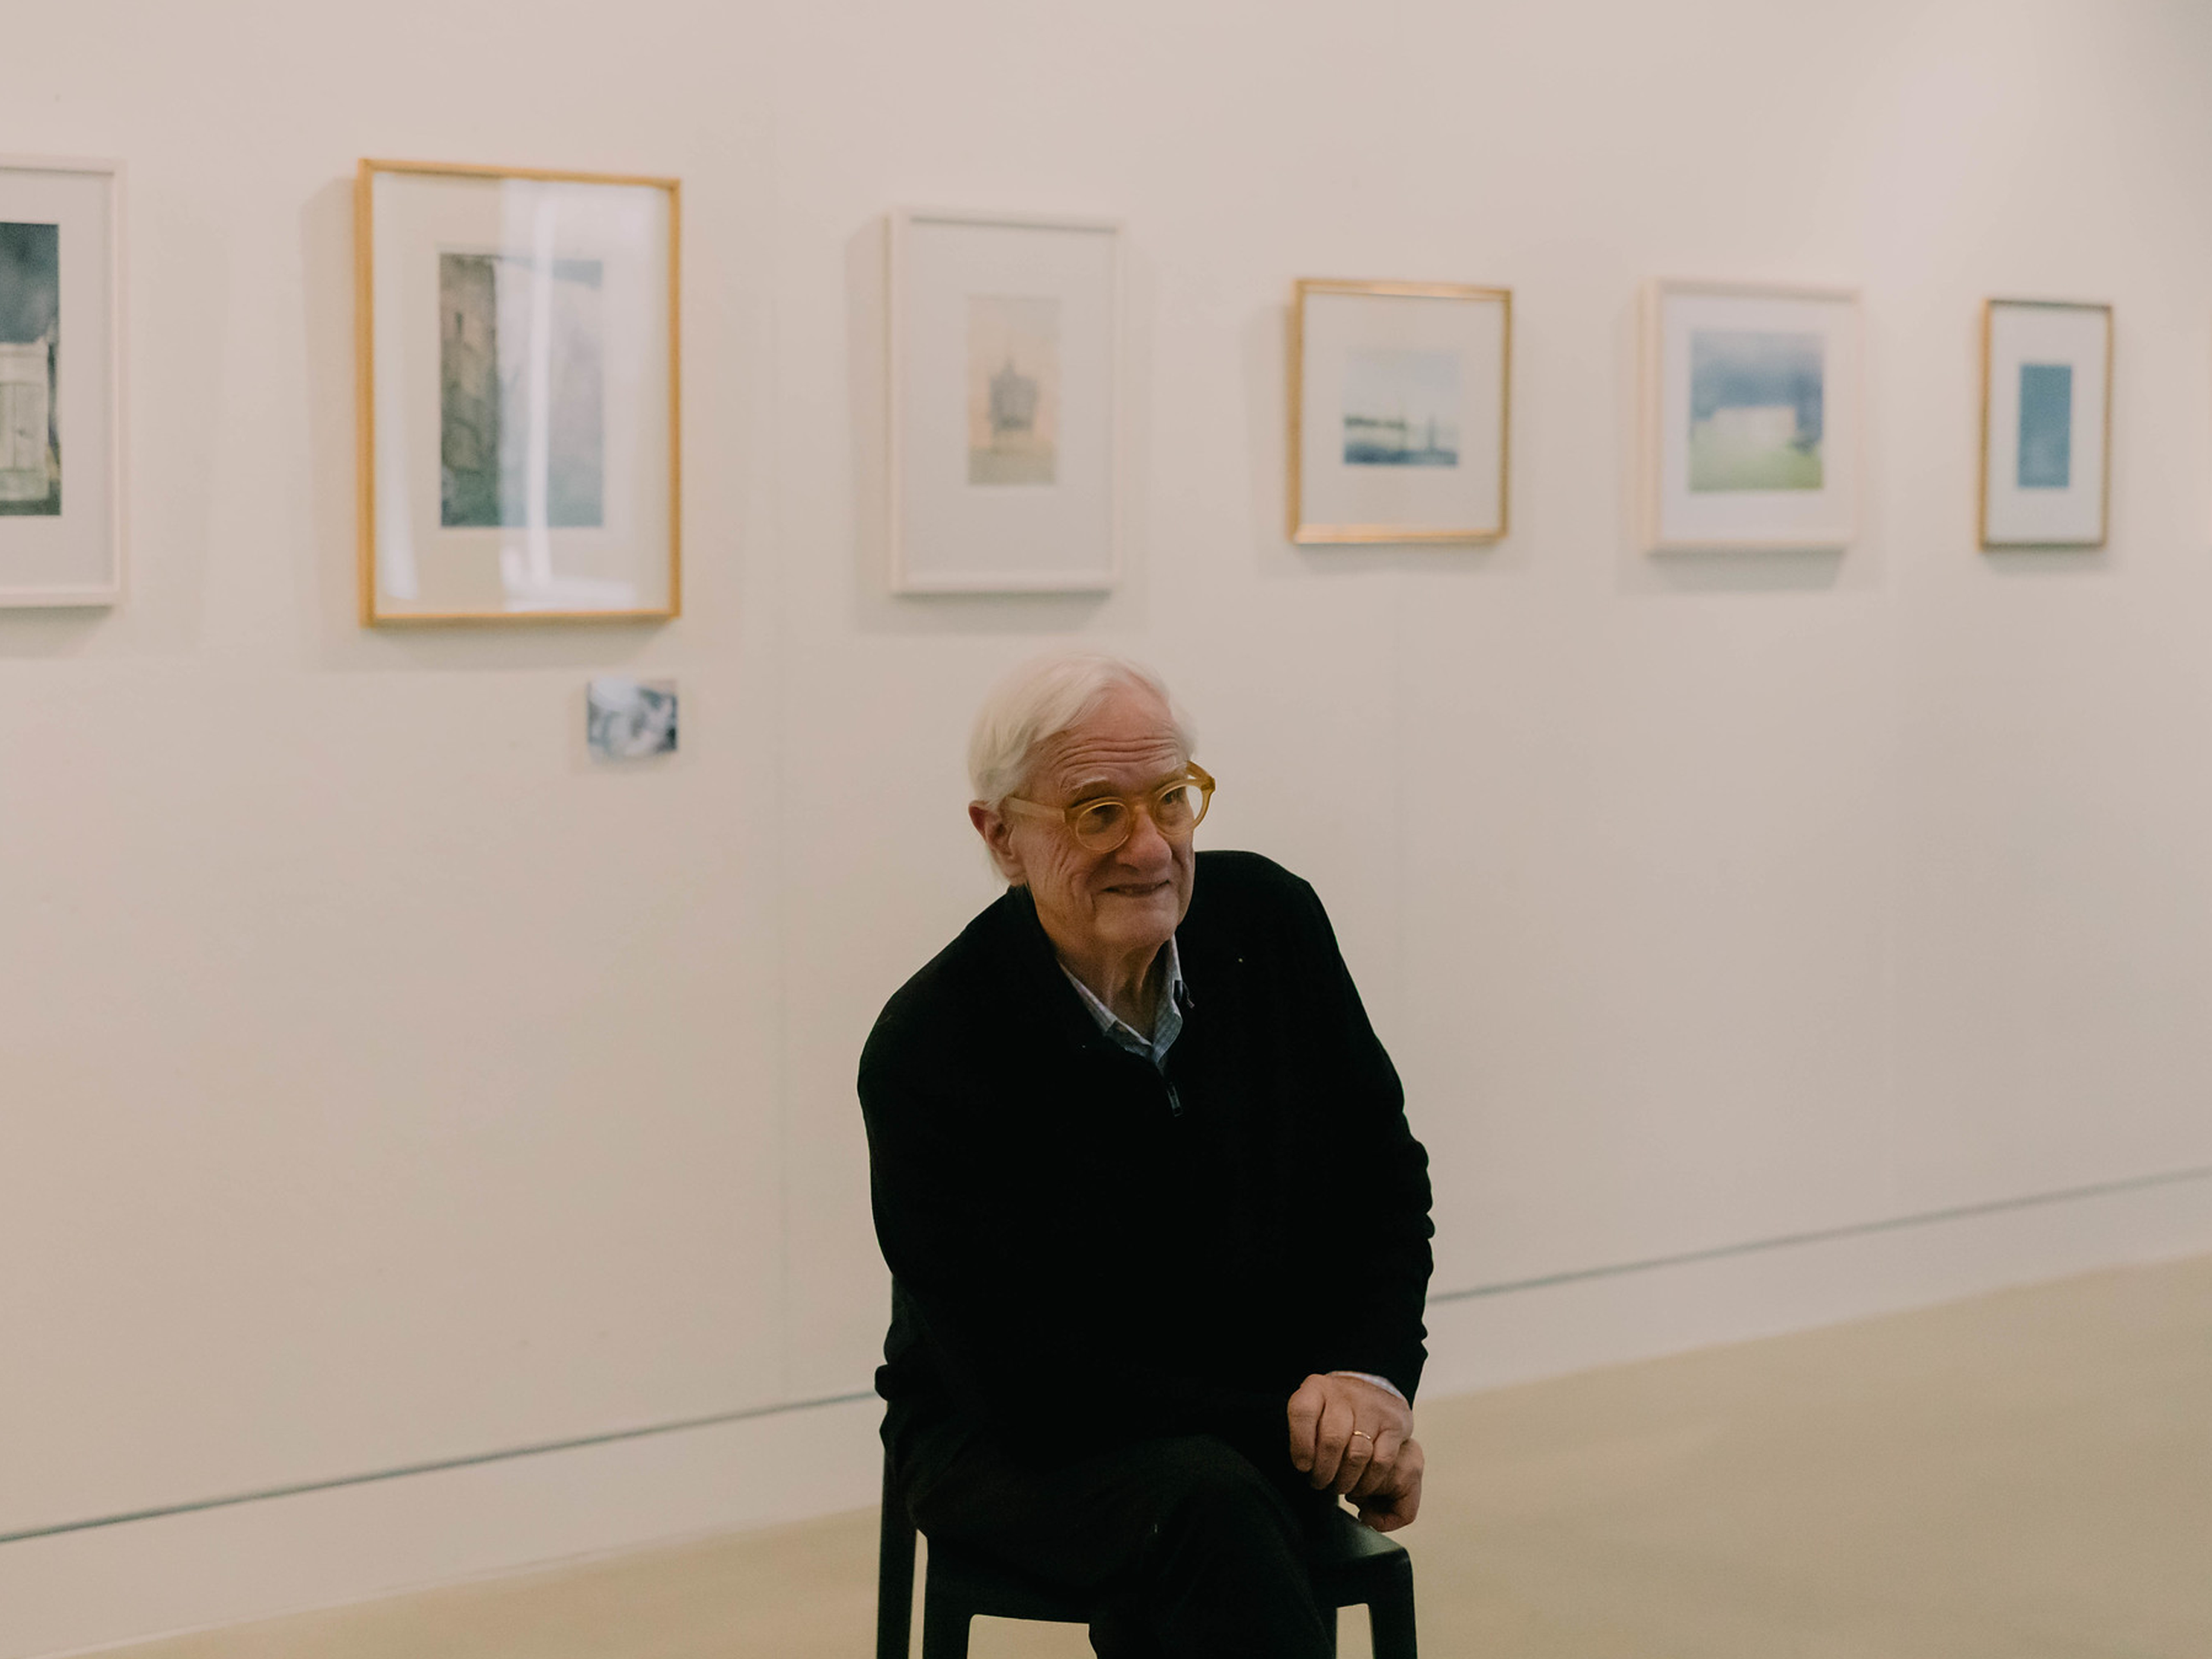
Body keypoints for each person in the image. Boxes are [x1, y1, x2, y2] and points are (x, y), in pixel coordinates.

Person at [859, 651, 1434, 1658]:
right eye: (1096, 813)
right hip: (1010, 1439)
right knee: (1207, 1511)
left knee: (1208, 1524)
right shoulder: (930, 1049)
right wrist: (1301, 1431)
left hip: (1247, 1418)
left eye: (1172, 799)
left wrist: (1370, 1386)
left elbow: (1382, 1181)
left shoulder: (1272, 925)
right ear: (1000, 837)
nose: (1151, 848)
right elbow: (1028, 1380)